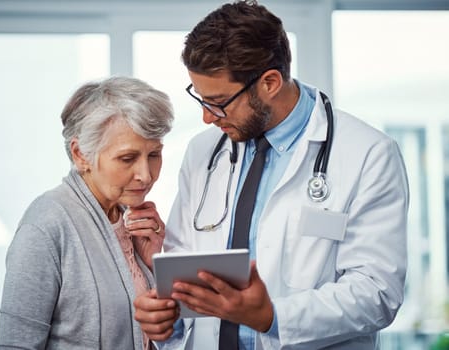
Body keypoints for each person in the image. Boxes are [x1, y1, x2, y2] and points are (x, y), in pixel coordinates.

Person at [133, 1, 409, 349]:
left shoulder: (367, 154)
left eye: (218, 102)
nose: (207, 117)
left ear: (270, 83)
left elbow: (376, 293)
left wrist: (272, 317)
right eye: (200, 99)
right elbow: (185, 269)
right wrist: (166, 317)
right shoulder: (203, 152)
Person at [0, 76, 174, 349]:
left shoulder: (131, 220)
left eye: (154, 155)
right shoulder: (46, 225)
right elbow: (15, 344)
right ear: (81, 155)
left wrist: (155, 266)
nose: (145, 175)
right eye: (127, 158)